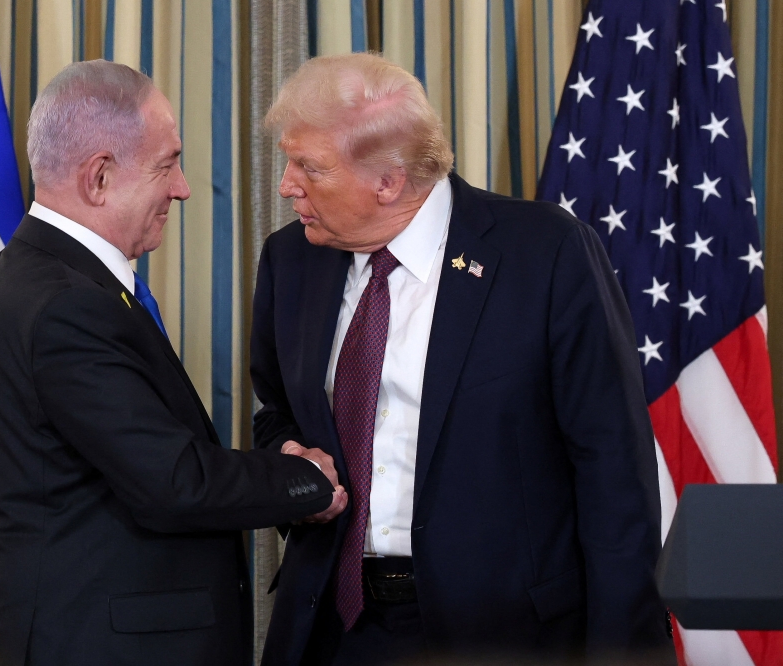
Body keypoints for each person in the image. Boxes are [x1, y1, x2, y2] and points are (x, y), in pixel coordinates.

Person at [251, 53, 674, 666]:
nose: (288, 185)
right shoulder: (292, 259)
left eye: (309, 168)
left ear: (388, 180)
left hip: (502, 635)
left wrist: (620, 650)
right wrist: (288, 457)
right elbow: (277, 411)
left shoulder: (545, 253)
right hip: (332, 629)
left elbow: (613, 468)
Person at [0, 60, 347, 666]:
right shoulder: (64, 306)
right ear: (100, 177)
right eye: (167, 164)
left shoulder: (50, 281)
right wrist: (306, 479)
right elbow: (174, 482)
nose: (183, 188)